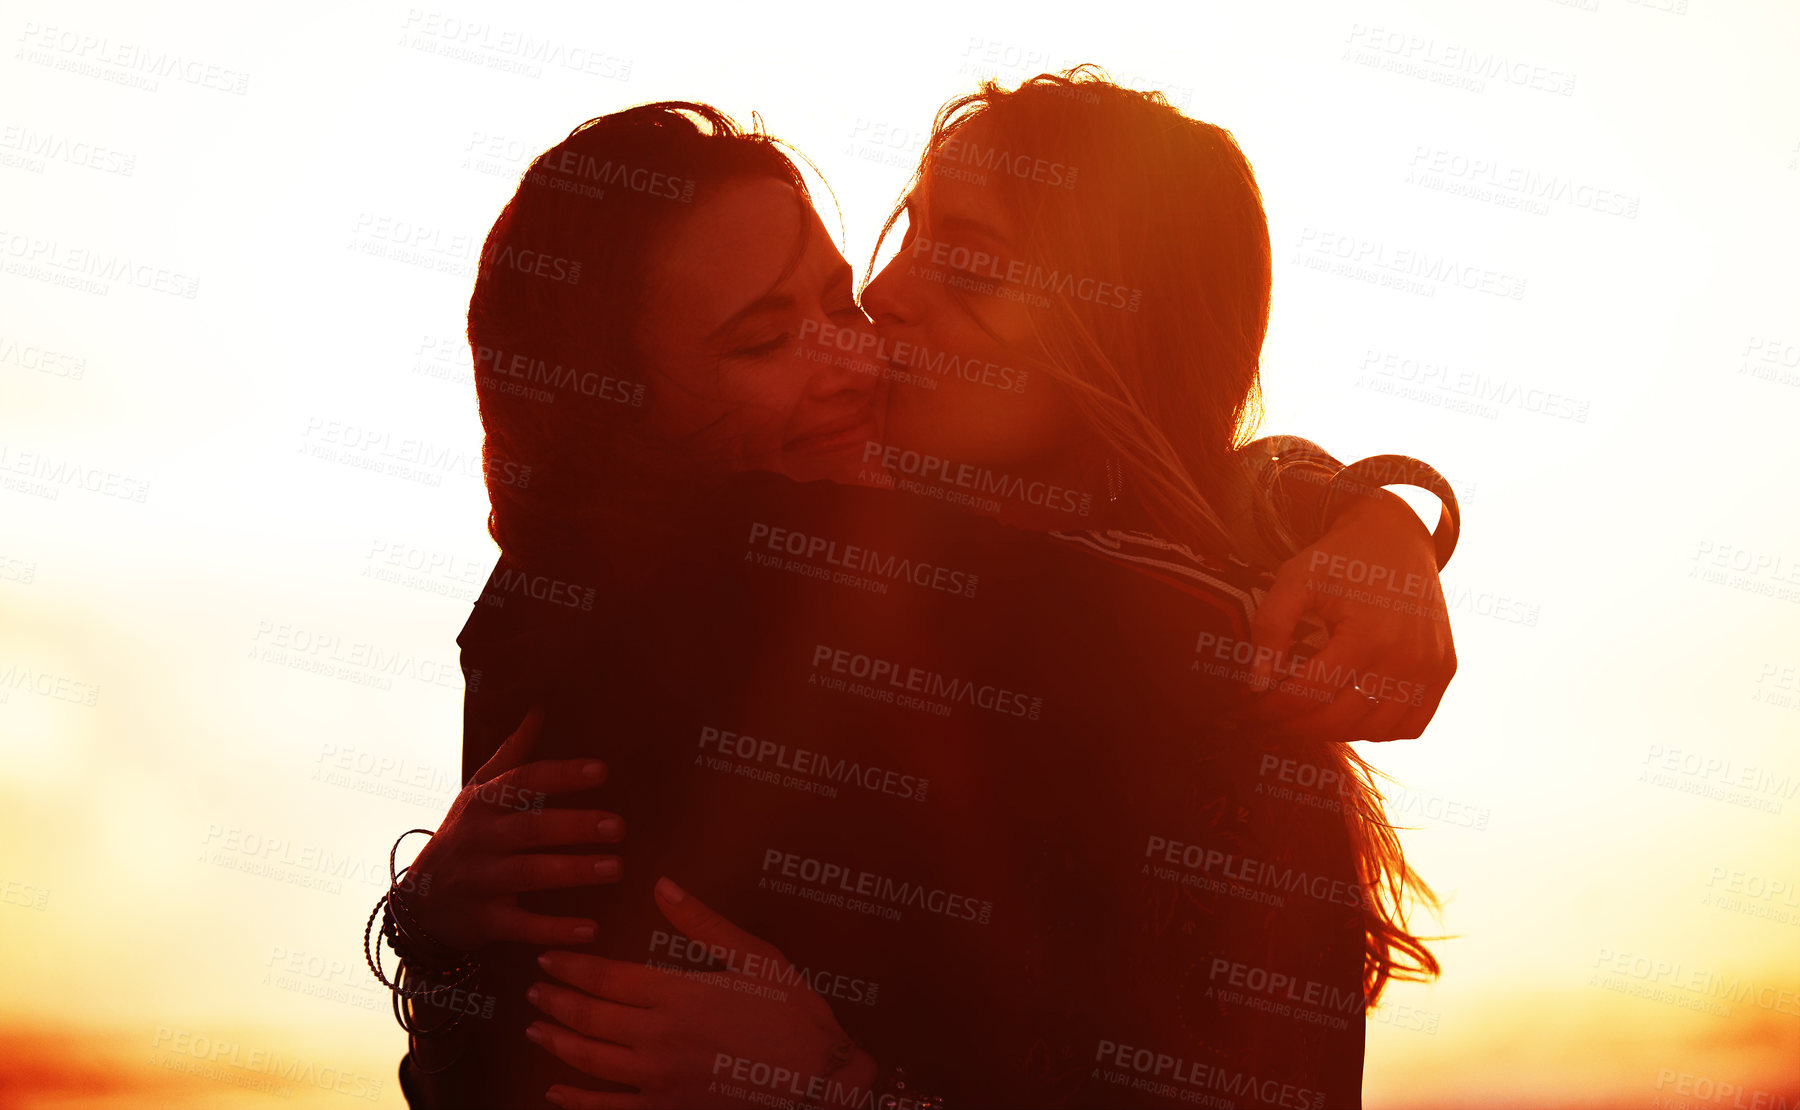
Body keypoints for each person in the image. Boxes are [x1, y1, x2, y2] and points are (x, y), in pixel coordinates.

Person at [374, 75, 1453, 1109]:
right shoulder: (745, 613)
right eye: (909, 240)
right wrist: (428, 919)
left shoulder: (1221, 698)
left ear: (1117, 338)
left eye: (972, 268)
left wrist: (840, 1092)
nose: (885, 302)